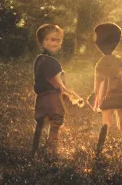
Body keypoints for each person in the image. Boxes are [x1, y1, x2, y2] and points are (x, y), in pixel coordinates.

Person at [31, 23, 84, 159]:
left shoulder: (39, 59)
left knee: (40, 125)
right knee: (54, 126)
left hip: (41, 99)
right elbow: (58, 84)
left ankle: (34, 152)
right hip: (53, 99)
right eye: (51, 39)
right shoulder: (53, 63)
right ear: (42, 41)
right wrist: (73, 96)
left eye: (58, 40)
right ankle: (52, 154)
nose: (55, 42)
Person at [88, 22, 122, 164]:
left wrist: (94, 94)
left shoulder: (100, 63)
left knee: (105, 124)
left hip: (107, 97)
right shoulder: (120, 61)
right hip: (119, 95)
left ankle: (98, 150)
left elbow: (98, 83)